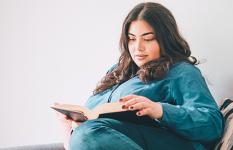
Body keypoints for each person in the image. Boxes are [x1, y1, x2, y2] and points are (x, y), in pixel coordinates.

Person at [57, 2, 224, 150]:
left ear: (165, 39)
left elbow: (212, 124)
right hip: (101, 138)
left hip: (167, 143)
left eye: (148, 39)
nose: (138, 47)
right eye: (131, 39)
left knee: (89, 133)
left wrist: (159, 110)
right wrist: (72, 124)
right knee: (86, 133)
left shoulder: (180, 71)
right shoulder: (117, 71)